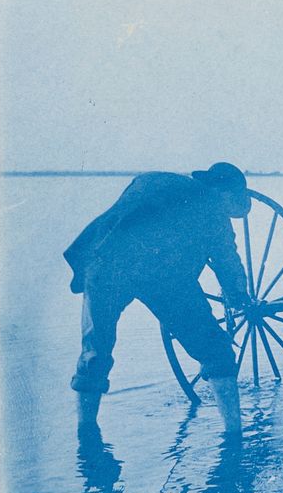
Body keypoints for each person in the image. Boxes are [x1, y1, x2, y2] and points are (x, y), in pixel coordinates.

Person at [64, 162, 253, 431]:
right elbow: (227, 262)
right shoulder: (213, 208)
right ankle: (234, 434)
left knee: (94, 352)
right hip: (161, 275)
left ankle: (86, 438)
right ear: (225, 193)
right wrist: (238, 297)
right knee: (217, 351)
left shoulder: (151, 179)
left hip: (102, 263)